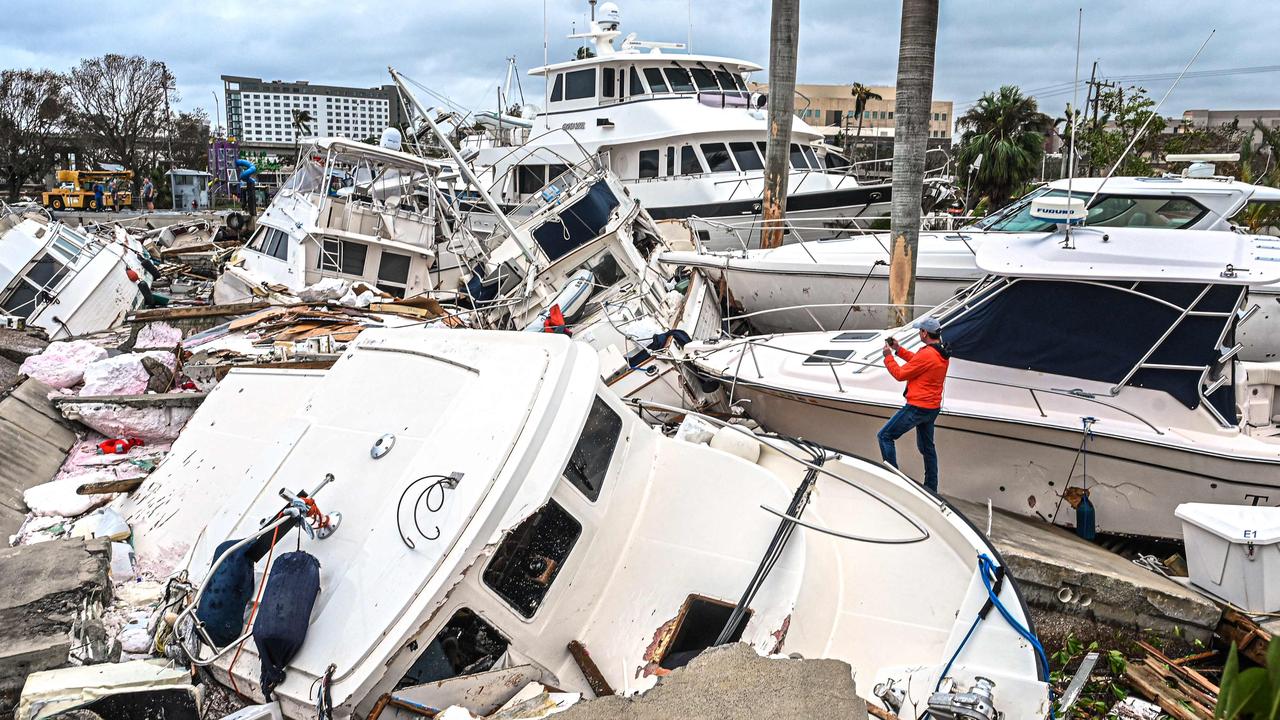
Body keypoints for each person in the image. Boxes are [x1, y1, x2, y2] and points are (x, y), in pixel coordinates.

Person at [877, 317, 951, 493]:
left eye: (920, 331)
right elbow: (917, 361)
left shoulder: (927, 354)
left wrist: (888, 357)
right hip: (932, 408)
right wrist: (898, 350)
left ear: (925, 333)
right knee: (927, 448)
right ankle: (931, 487)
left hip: (917, 407)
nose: (919, 333)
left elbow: (900, 374)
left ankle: (894, 479)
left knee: (885, 436)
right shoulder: (940, 351)